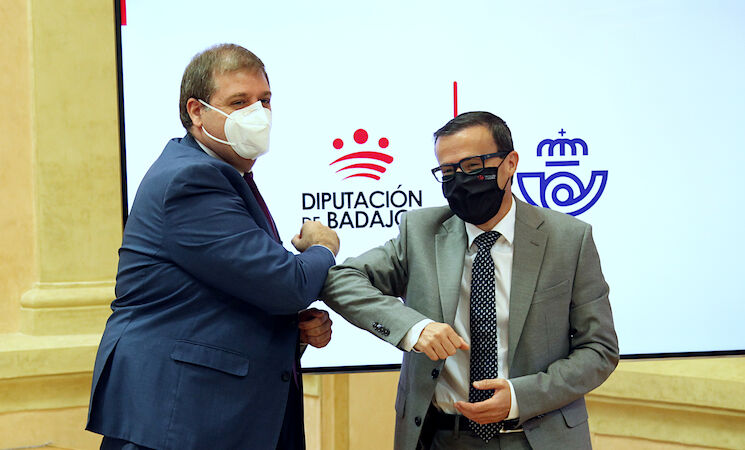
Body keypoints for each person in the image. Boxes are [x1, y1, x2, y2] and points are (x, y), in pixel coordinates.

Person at [86, 43, 339, 450]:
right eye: (239, 102)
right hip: (181, 419)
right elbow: (286, 284)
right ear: (197, 111)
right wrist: (324, 247)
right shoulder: (191, 179)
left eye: (264, 100)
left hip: (215, 412)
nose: (257, 114)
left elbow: (228, 293)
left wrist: (292, 331)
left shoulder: (219, 173)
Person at [321, 111, 618, 449]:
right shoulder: (421, 233)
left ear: (510, 163)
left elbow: (600, 350)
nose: (459, 181)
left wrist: (520, 397)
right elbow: (341, 280)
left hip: (537, 435)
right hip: (444, 437)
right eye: (448, 172)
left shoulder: (568, 239)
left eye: (473, 167)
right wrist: (414, 328)